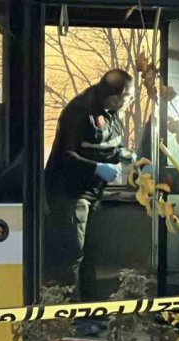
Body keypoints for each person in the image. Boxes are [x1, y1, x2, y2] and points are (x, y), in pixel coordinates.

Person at [43, 69, 137, 308]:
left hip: (93, 193)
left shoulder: (111, 112)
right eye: (130, 96)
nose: (132, 100)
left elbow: (105, 143)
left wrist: (121, 154)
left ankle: (91, 310)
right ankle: (69, 318)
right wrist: (98, 168)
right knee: (72, 256)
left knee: (91, 255)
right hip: (70, 193)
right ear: (115, 97)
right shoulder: (79, 112)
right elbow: (67, 155)